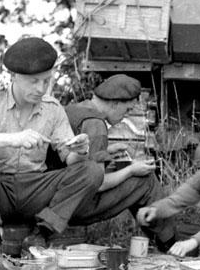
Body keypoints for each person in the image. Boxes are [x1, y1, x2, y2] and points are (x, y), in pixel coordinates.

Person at [0, 37, 104, 251]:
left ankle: (42, 233)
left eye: (46, 81)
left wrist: (81, 150)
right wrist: (14, 138)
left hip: (36, 190)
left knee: (91, 170)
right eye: (34, 81)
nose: (41, 89)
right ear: (14, 77)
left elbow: (72, 161)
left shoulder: (53, 109)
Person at [62, 74, 176, 252]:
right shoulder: (96, 126)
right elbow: (97, 185)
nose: (125, 117)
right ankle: (171, 243)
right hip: (73, 206)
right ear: (114, 103)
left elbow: (75, 161)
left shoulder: (74, 110)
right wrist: (131, 170)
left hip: (56, 199)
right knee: (145, 181)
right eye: (127, 110)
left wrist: (107, 152)